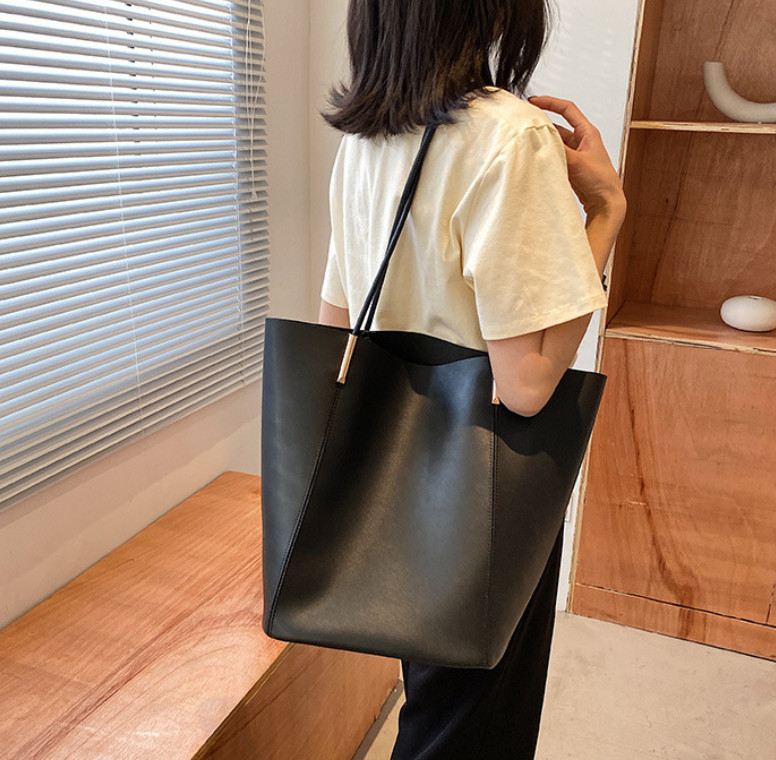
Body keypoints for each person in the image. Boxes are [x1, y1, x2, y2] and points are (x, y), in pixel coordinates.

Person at [317, 1, 627, 757]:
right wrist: (606, 211)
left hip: (391, 477)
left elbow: (335, 330)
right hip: (485, 481)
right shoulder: (511, 135)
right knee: (473, 727)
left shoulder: (367, 137)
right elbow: (527, 385)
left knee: (436, 701)